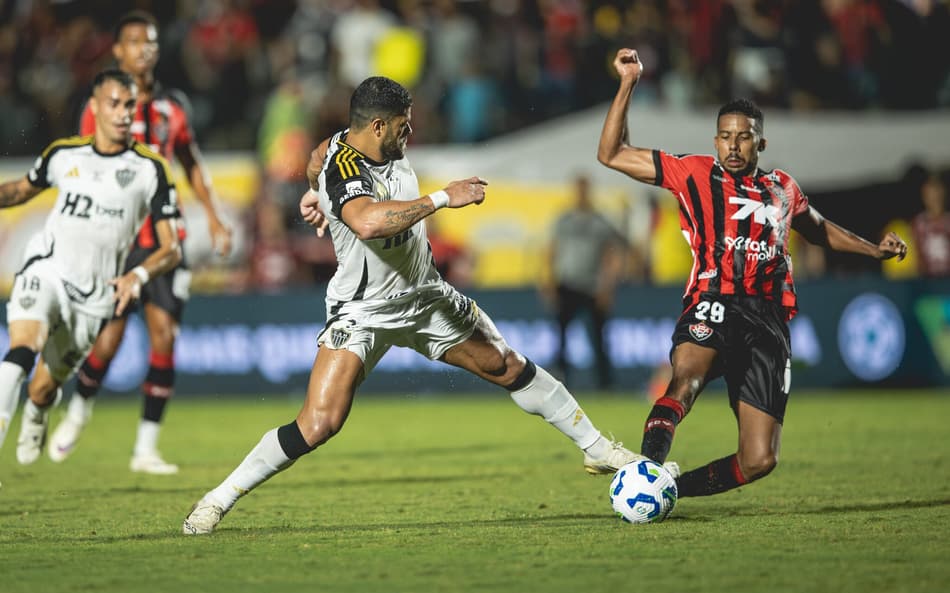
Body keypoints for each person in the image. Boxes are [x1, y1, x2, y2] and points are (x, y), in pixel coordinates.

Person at [182, 76, 642, 534]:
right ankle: (217, 499)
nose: (411, 133)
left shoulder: (344, 146)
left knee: (506, 364)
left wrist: (315, 195)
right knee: (319, 423)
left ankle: (597, 447)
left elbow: (314, 157)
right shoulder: (345, 167)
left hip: (425, 297)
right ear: (378, 126)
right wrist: (442, 198)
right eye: (404, 126)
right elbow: (364, 222)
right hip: (363, 311)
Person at [597, 48, 908, 498]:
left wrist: (872, 248)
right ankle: (644, 472)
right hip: (714, 300)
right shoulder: (693, 173)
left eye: (744, 137)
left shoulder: (783, 187)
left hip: (768, 320)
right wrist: (628, 83)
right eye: (725, 137)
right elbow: (612, 153)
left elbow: (819, 231)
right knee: (685, 381)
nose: (733, 145)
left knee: (759, 459)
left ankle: (669, 490)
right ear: (715, 140)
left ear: (760, 143)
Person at [47, 11, 233, 475]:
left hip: (168, 242)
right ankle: (80, 409)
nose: (145, 49)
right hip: (120, 241)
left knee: (165, 338)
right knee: (106, 343)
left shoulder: (173, 107)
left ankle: (145, 448)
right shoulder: (101, 107)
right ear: (118, 51)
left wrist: (212, 215)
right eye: (134, 42)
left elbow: (190, 159)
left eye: (150, 41)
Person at [0, 69, 181, 474]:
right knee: (20, 351)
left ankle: (38, 410)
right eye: (114, 103)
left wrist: (138, 276)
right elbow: (19, 191)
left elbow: (171, 248)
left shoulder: (150, 169)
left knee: (44, 387)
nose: (123, 113)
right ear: (95, 107)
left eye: (129, 105)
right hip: (46, 269)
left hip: (96, 297)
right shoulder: (64, 155)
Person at [542, 174, 625, 389]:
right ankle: (560, 383)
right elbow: (552, 250)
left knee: (599, 339)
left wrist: (607, 286)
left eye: (584, 189)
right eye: (578, 189)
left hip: (593, 286)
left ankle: (604, 384)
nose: (580, 194)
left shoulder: (600, 221)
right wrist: (548, 281)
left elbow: (611, 254)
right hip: (567, 283)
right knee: (560, 338)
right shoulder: (563, 219)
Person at [910, 170, 950, 278]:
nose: (934, 198)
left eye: (937, 193)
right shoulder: (919, 223)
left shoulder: (947, 221)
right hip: (928, 278)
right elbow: (915, 252)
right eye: (930, 194)